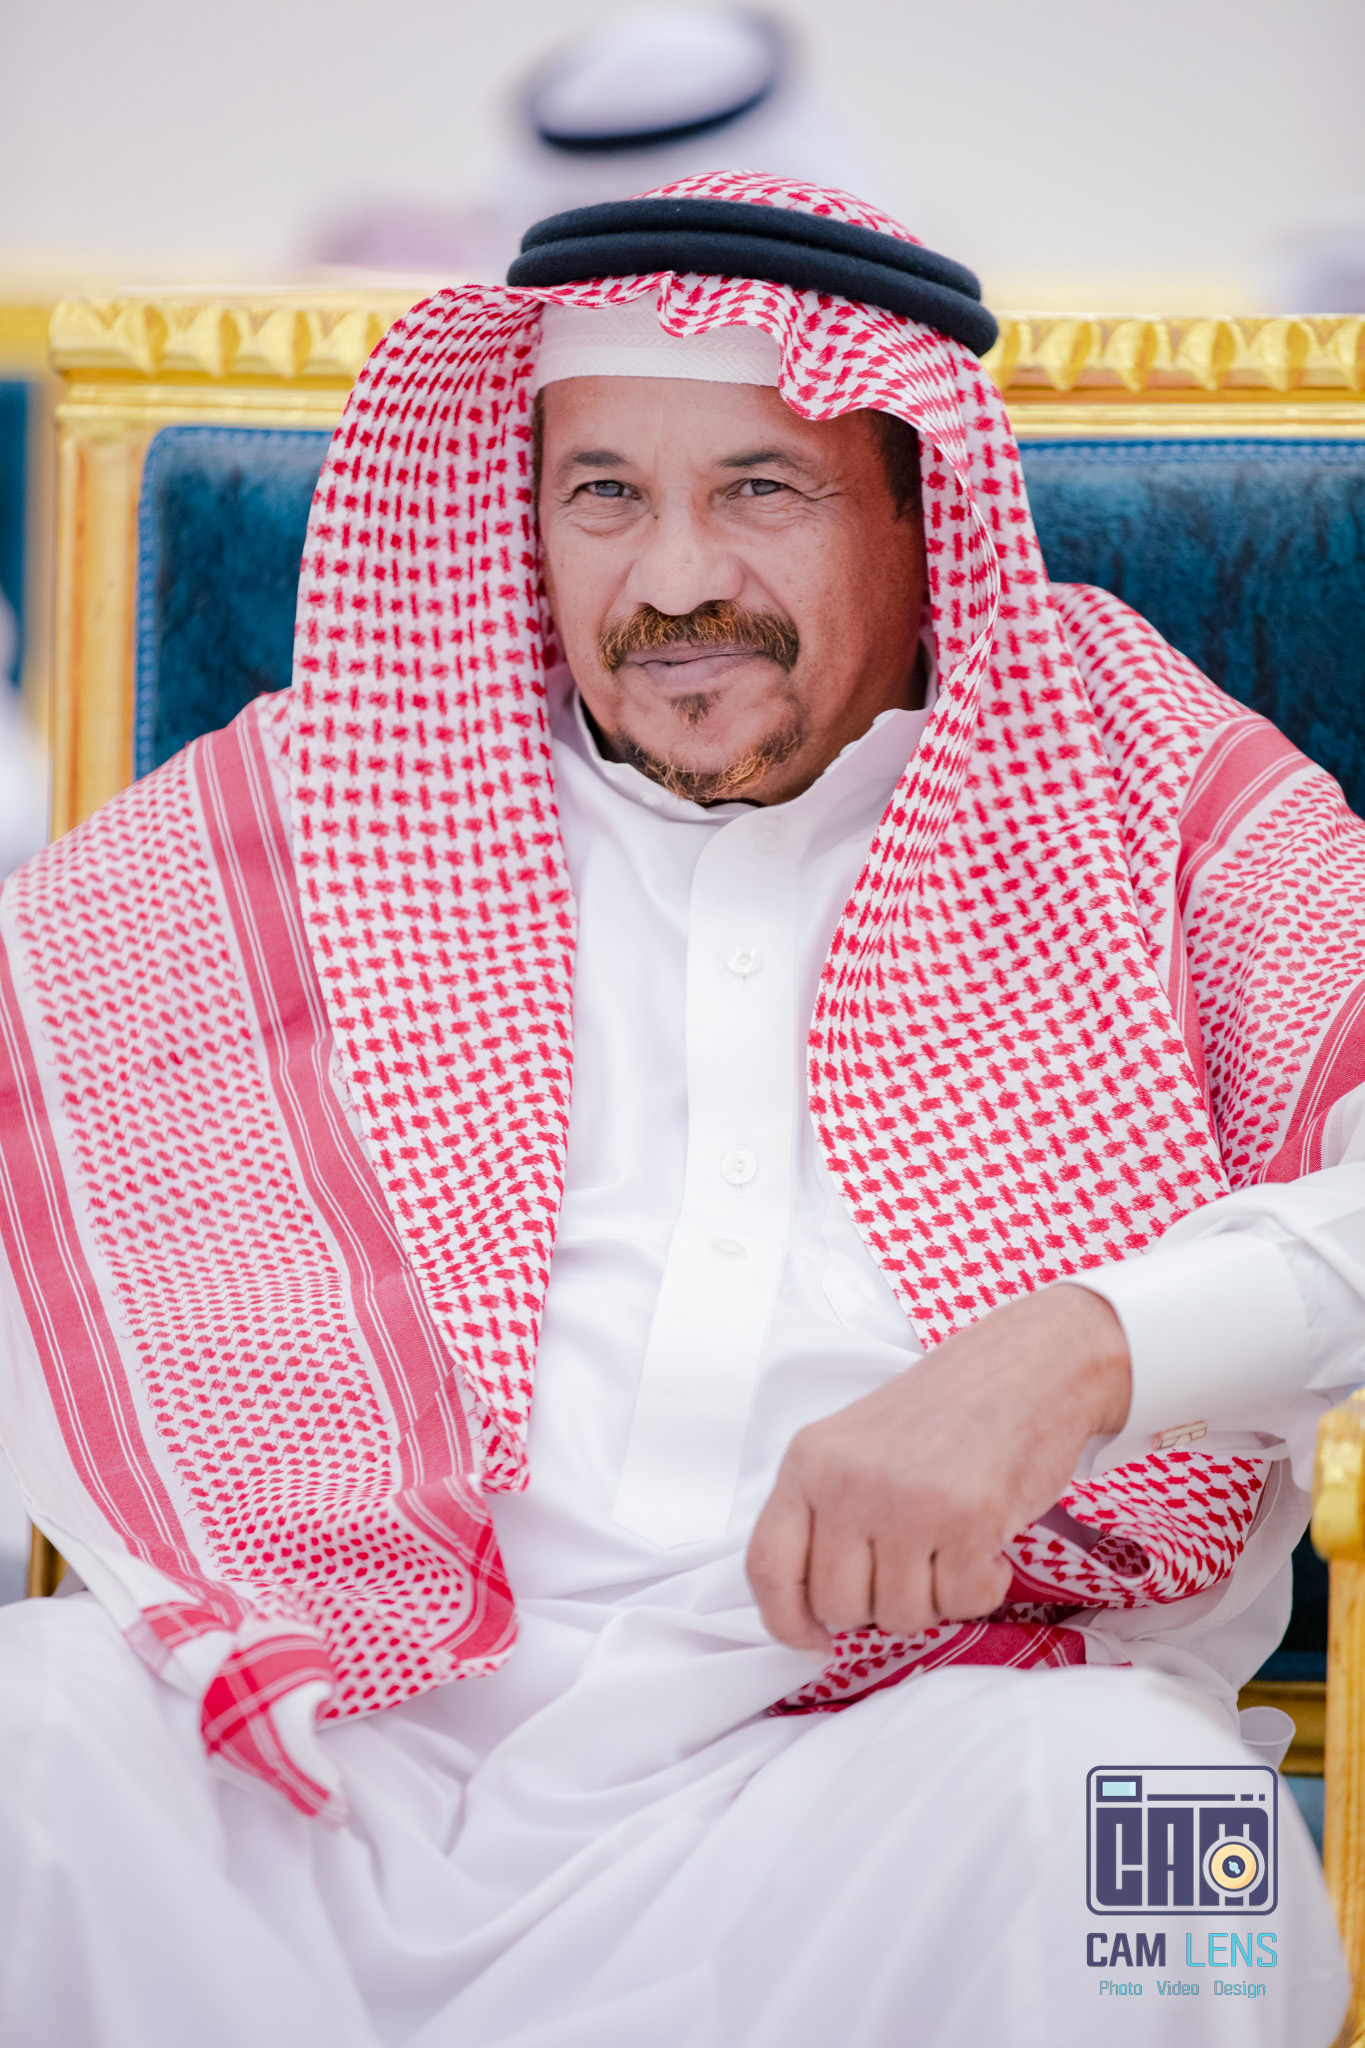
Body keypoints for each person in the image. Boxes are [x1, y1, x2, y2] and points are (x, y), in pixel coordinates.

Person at [0, 171, 1359, 2046]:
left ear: (922, 506)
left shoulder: (1142, 793)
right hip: (342, 1760)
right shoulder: (315, 812)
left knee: (1167, 1856)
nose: (667, 583)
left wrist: (1077, 1351)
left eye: (760, 490)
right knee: (34, 1726)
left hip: (921, 1768)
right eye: (603, 495)